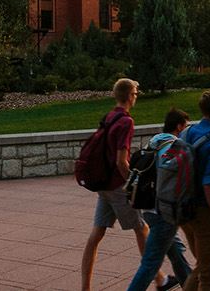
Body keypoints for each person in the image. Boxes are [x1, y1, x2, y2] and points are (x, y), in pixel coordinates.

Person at [82, 78, 150, 291]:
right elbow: (121, 161)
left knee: (97, 234)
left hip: (102, 183)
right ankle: (159, 279)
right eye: (135, 94)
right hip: (116, 186)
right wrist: (133, 183)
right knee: (142, 228)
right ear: (129, 95)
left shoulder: (109, 116)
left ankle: (85, 288)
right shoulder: (126, 122)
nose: (136, 97)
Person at [126, 108, 192, 291]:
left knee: (177, 252)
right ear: (179, 127)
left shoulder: (155, 140)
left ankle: (191, 285)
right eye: (185, 126)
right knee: (150, 264)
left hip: (148, 207)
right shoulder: (173, 145)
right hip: (163, 211)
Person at [179, 88, 210, 291]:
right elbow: (209, 183)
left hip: (183, 209)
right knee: (208, 274)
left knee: (201, 267)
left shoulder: (188, 131)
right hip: (202, 211)